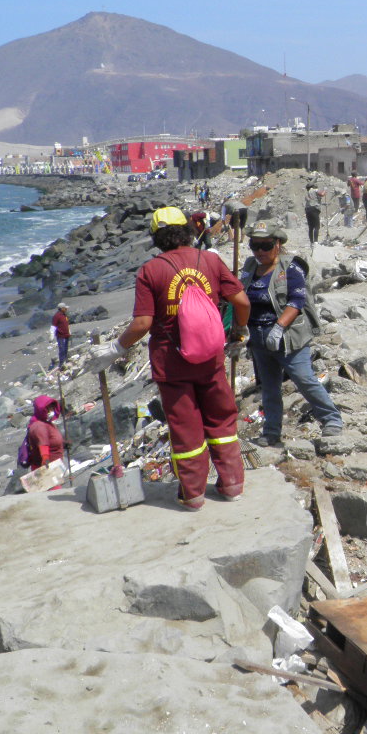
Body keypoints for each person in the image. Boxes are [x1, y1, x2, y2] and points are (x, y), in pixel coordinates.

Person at [86, 207, 251, 509]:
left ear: (157, 237)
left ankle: (194, 495)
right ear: (188, 230)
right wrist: (240, 332)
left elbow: (142, 324)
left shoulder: (151, 271)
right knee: (222, 421)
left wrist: (113, 351)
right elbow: (241, 300)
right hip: (211, 359)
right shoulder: (210, 260)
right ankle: (232, 486)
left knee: (186, 429)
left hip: (173, 365)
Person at [239, 221, 343, 447]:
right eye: (254, 246)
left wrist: (278, 327)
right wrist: (237, 332)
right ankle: (271, 432)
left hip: (288, 338)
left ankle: (331, 419)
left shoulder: (290, 268)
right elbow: (239, 297)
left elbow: (297, 300)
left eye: (265, 246)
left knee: (305, 380)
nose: (259, 252)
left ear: (277, 244)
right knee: (269, 387)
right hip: (258, 338)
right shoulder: (249, 267)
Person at [25, 395, 65, 471]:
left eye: (52, 408)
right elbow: (43, 443)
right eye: (48, 408)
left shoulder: (47, 424)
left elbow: (51, 440)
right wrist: (45, 457)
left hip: (56, 467)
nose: (51, 411)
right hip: (47, 469)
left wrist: (63, 444)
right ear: (41, 409)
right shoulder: (39, 426)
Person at [50, 303, 71, 368]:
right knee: (61, 349)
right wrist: (51, 335)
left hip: (66, 335)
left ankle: (65, 360)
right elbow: (53, 326)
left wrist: (69, 331)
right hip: (61, 336)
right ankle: (61, 363)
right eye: (65, 308)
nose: (66, 309)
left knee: (66, 349)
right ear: (62, 309)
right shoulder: (57, 316)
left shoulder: (64, 315)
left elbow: (66, 324)